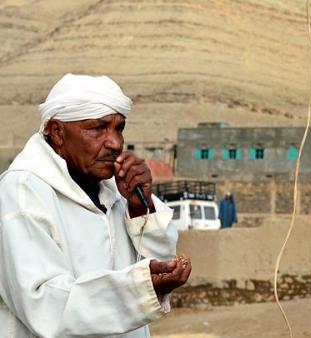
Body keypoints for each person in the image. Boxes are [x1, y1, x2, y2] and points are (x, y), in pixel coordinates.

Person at [0, 74, 191, 337]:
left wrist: (140, 210)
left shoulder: (115, 189)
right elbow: (43, 303)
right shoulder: (23, 192)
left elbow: (156, 262)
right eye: (98, 128)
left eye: (119, 128)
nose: (115, 143)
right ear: (57, 133)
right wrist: (140, 288)